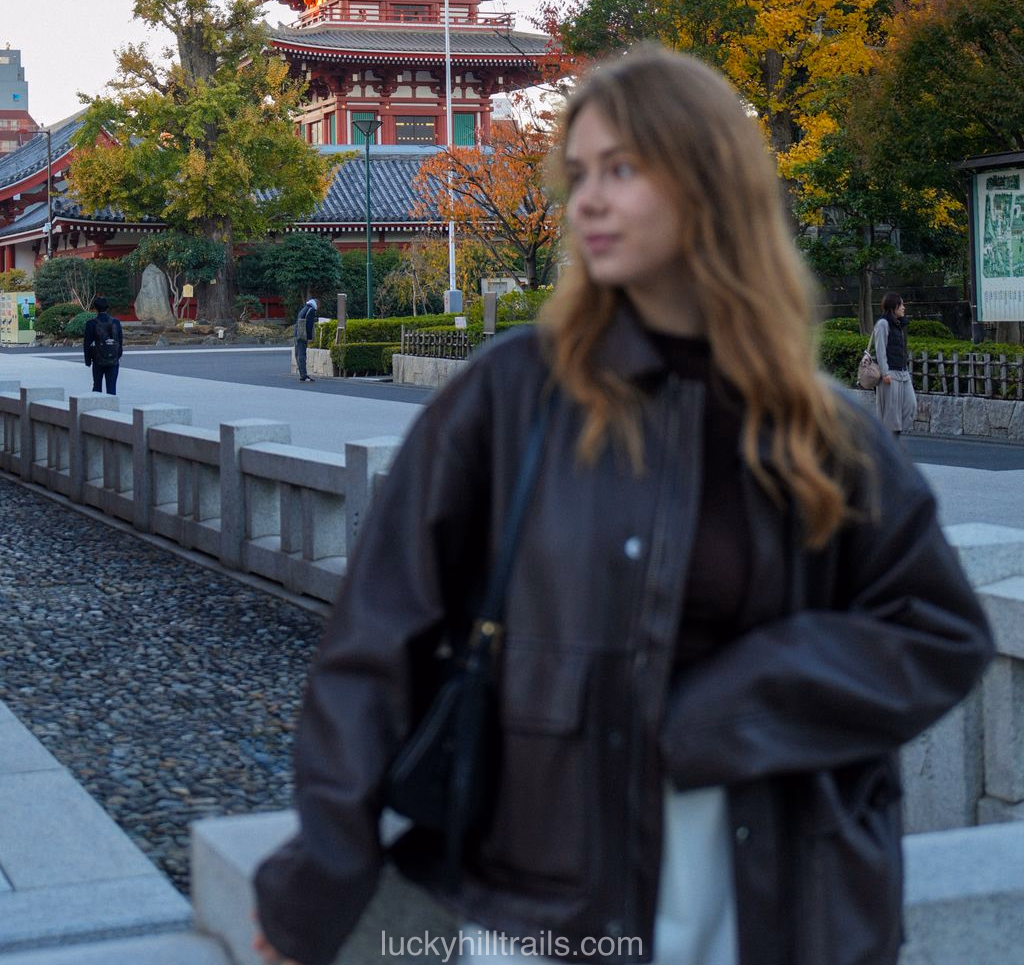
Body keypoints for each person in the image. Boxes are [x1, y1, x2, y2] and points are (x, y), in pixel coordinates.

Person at [253, 47, 992, 965]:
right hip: (548, 896)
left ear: (708, 182)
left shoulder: (819, 427)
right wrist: (321, 877)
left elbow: (937, 629)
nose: (588, 200)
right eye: (581, 174)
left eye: (623, 168)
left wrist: (734, 707)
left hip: (777, 895)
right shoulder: (513, 396)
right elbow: (375, 645)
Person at [873, 292, 918, 436]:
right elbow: (880, 350)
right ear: (894, 307)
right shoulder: (883, 324)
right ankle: (890, 445)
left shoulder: (899, 324)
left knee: (911, 406)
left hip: (903, 372)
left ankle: (892, 440)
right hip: (890, 373)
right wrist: (885, 373)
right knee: (891, 416)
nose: (904, 308)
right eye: (901, 305)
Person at [82, 295, 123, 395]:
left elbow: (87, 343)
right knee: (111, 388)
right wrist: (118, 355)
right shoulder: (116, 322)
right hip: (113, 359)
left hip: (98, 359)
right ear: (107, 307)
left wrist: (88, 360)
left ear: (95, 308)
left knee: (97, 386)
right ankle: (111, 409)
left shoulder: (91, 323)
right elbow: (120, 340)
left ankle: (96, 408)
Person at [294, 297, 318, 383]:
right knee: (302, 355)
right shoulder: (311, 310)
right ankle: (304, 375)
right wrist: (309, 338)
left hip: (297, 334)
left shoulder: (304, 308)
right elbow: (309, 325)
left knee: (298, 355)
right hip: (302, 335)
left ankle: (302, 374)